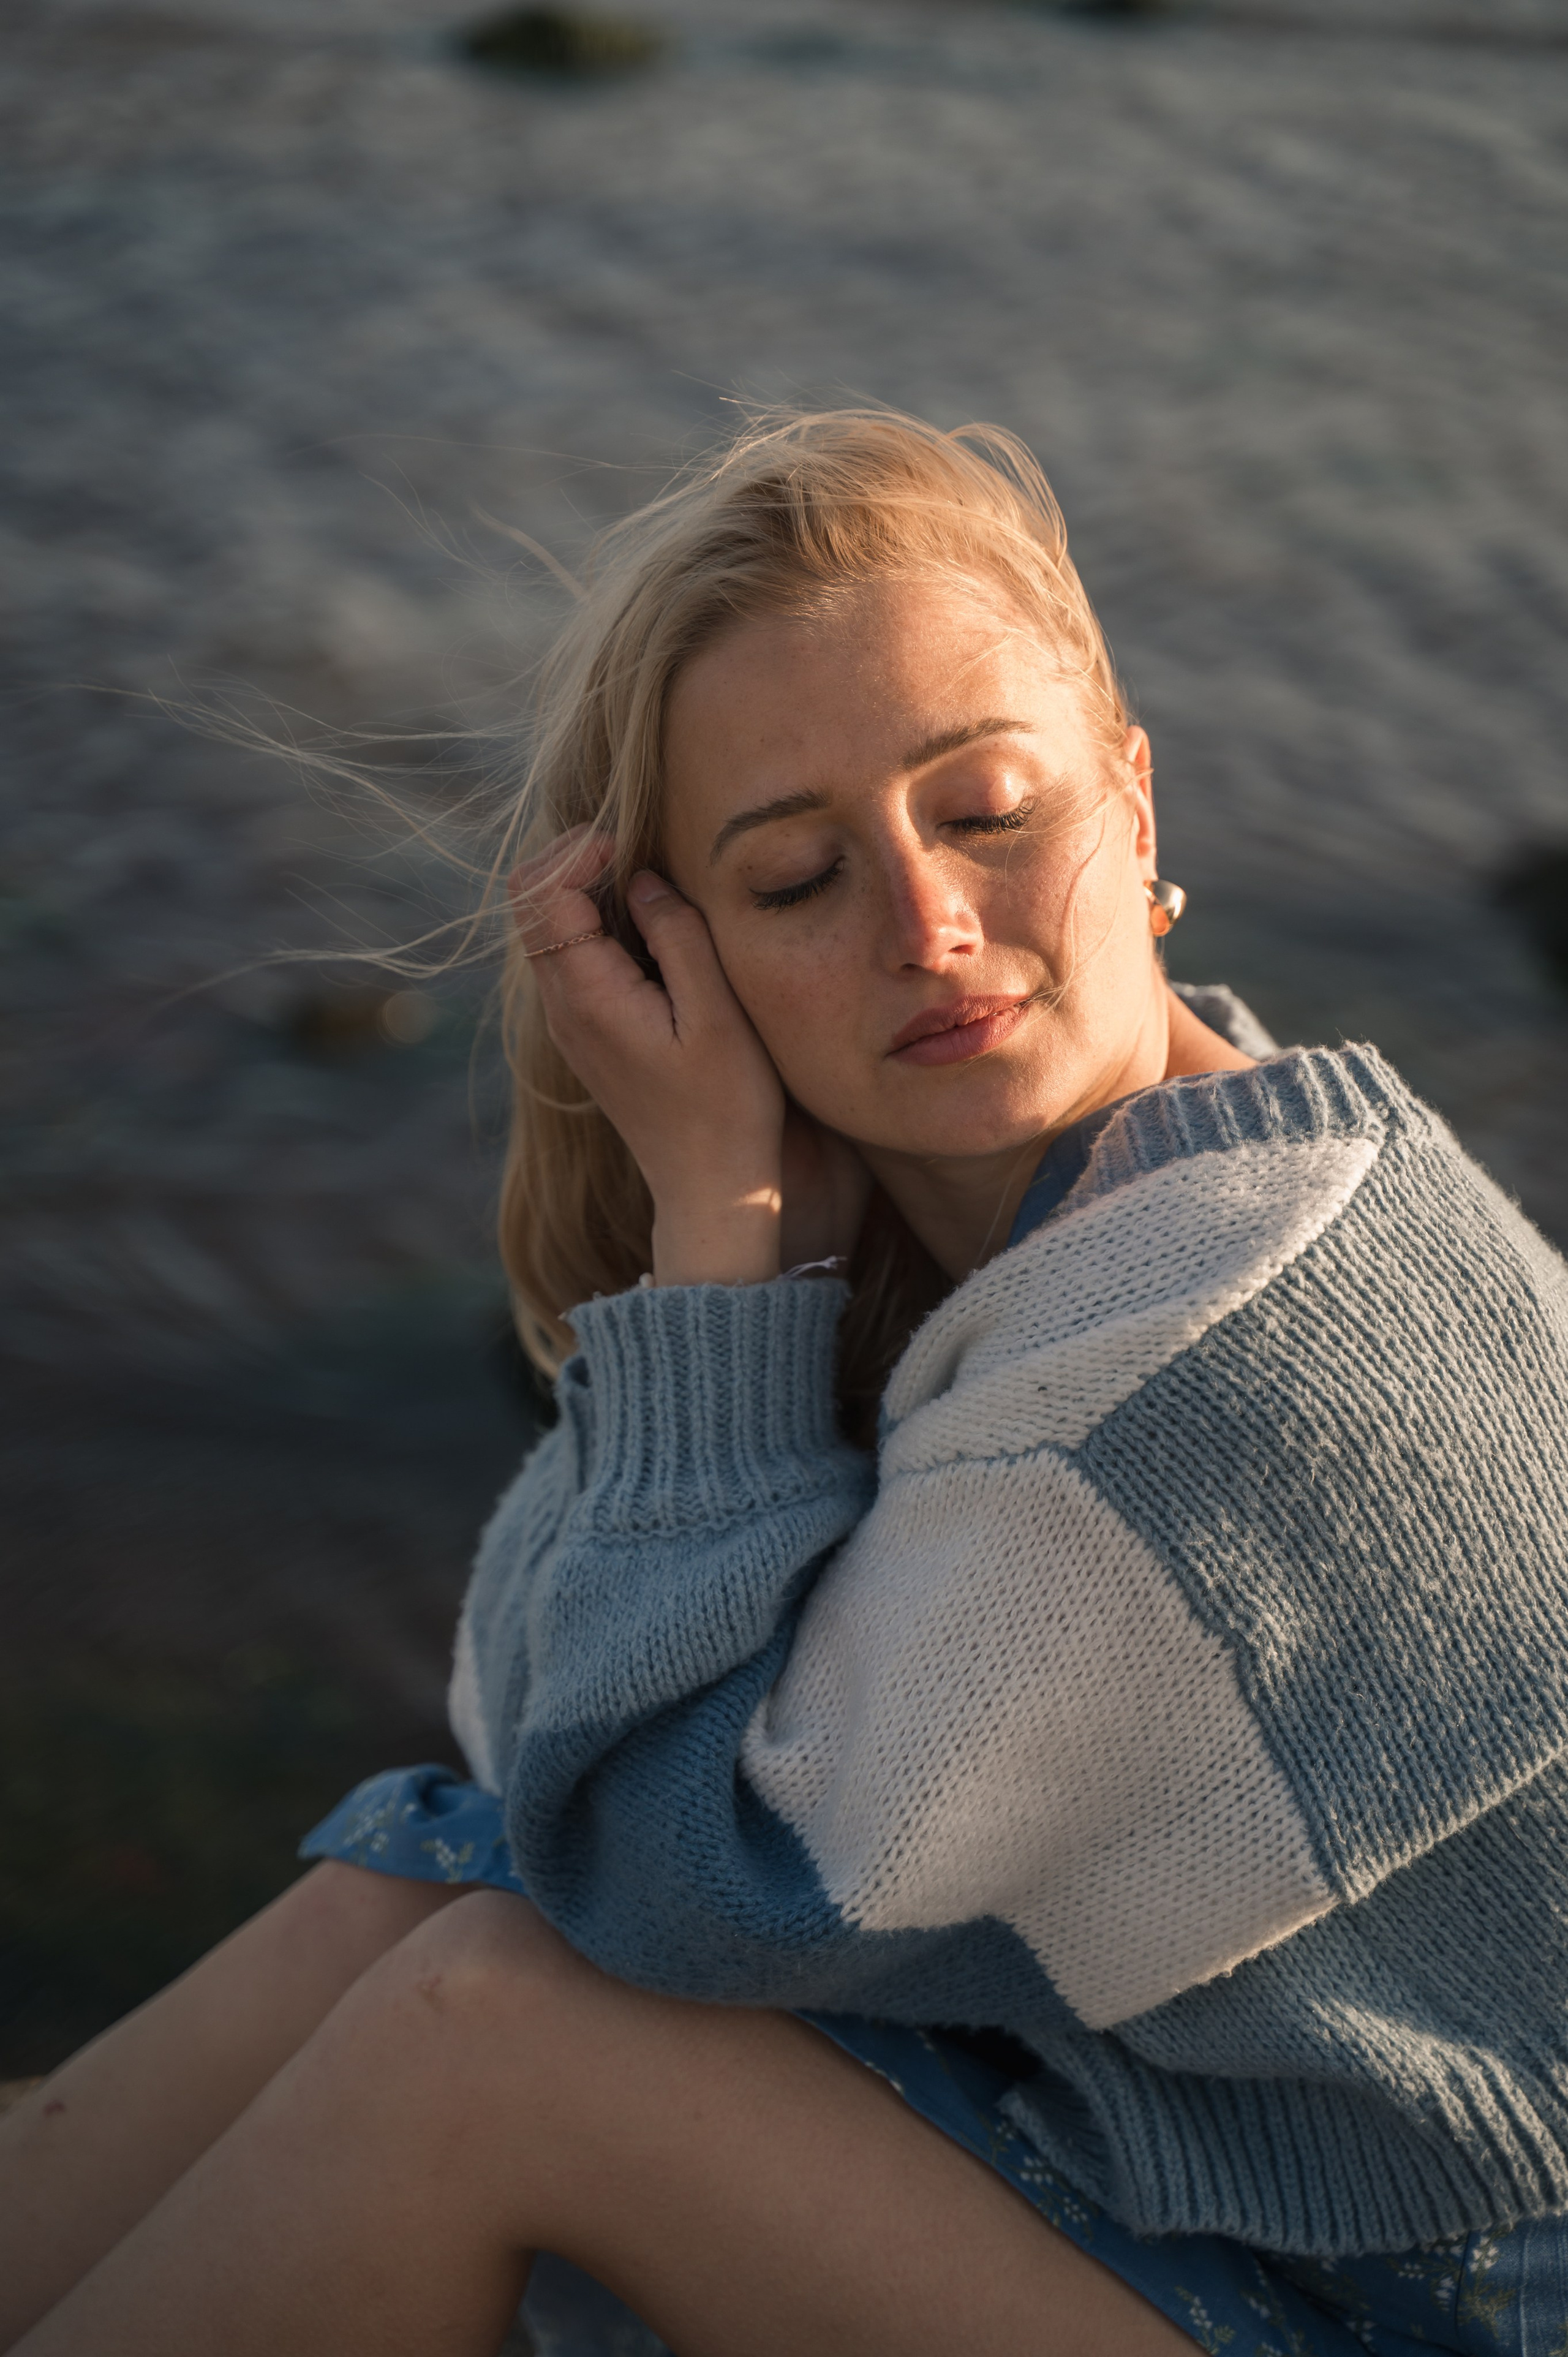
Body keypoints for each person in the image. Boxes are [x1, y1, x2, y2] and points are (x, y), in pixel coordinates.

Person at [5, 409, 1568, 2357]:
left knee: (488, 2034)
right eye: (800, 875)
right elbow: (525, 1728)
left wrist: (719, 1251)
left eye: (990, 808)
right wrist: (757, 1257)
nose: (930, 926)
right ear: (692, 958)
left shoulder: (1216, 1344)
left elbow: (666, 1890)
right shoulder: (1105, 1204)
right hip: (1271, 2212)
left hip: (1447, 2316)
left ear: (1135, 806)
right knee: (413, 1887)